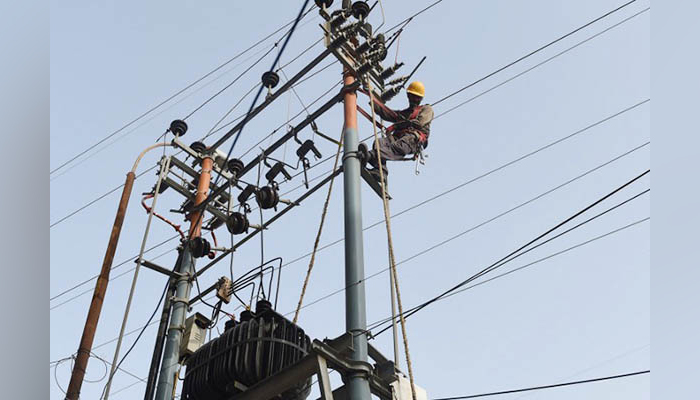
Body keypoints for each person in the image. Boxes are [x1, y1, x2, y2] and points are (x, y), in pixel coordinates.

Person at [361, 81, 434, 185]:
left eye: (417, 97)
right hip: (398, 137)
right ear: (408, 96)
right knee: (380, 142)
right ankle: (380, 171)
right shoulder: (405, 113)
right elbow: (386, 113)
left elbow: (419, 123)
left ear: (421, 98)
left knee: (398, 147)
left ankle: (371, 155)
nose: (414, 99)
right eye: (411, 96)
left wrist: (396, 126)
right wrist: (370, 95)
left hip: (413, 138)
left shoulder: (426, 109)